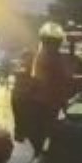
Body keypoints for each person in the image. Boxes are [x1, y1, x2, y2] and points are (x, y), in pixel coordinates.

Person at [13, 21, 76, 155]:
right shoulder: (57, 60)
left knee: (40, 142)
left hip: (41, 106)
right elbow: (66, 85)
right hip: (43, 106)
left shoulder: (38, 57)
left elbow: (65, 85)